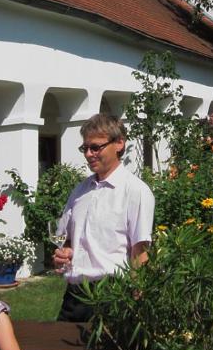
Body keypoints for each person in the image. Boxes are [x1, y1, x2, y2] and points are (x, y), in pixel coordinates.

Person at [52, 113, 155, 322]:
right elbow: (67, 240)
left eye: (96, 147)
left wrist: (137, 301)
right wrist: (63, 254)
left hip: (112, 296)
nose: (89, 154)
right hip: (75, 296)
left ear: (119, 144)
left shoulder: (135, 191)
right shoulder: (80, 191)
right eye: (85, 148)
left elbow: (140, 253)